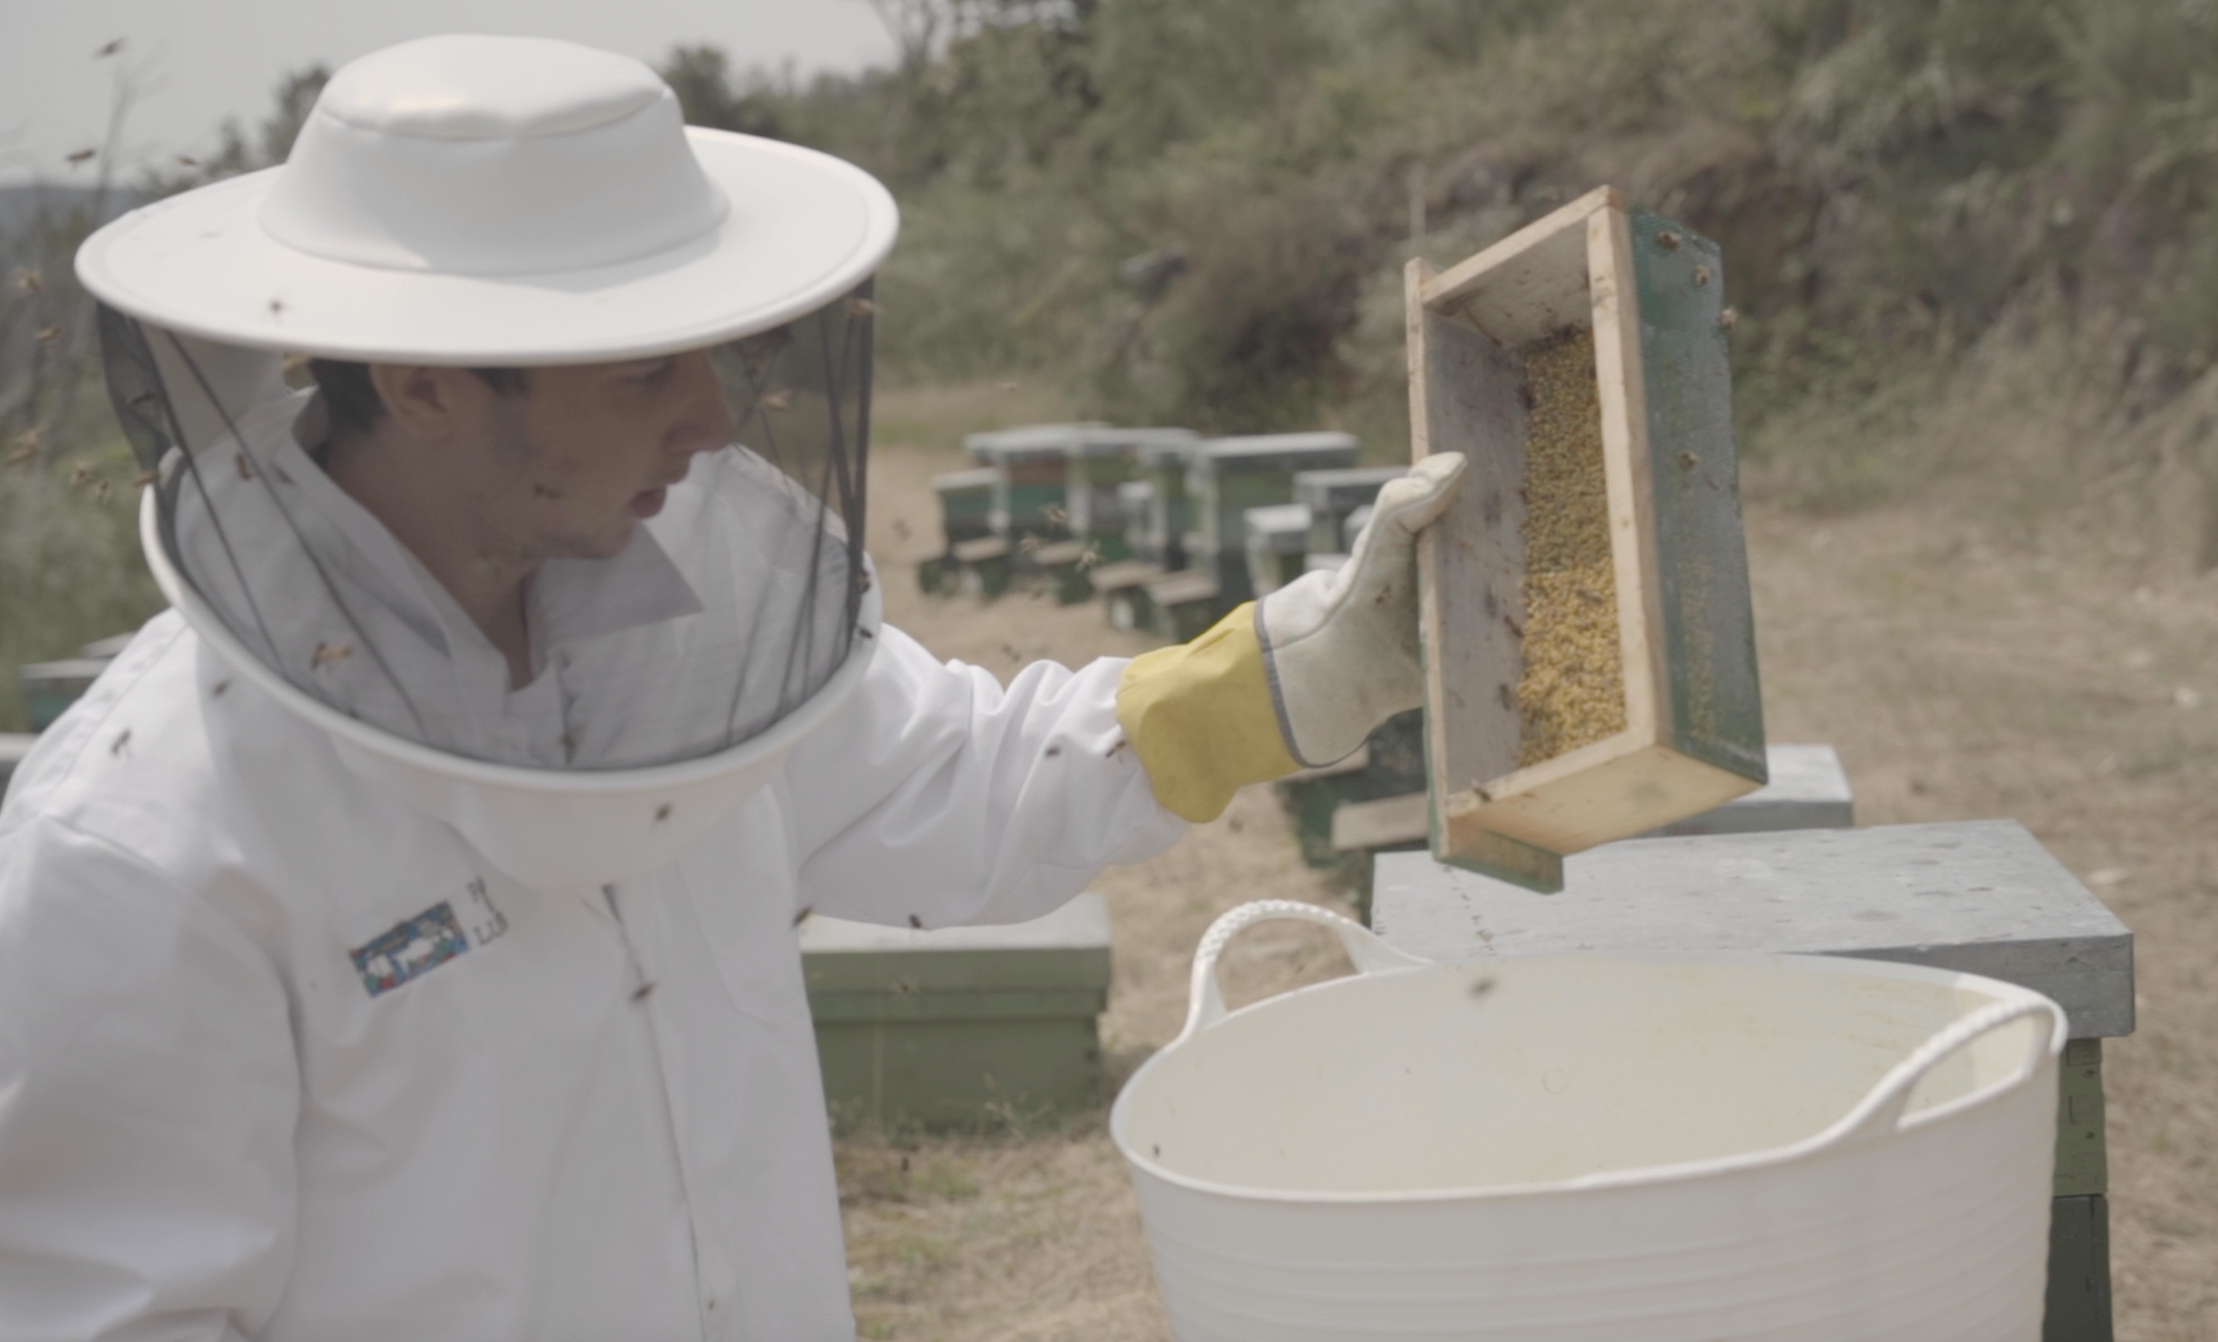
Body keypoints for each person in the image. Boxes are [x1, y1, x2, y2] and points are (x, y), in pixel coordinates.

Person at [0, 34, 1463, 1342]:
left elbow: (960, 775)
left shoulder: (695, 654)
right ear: (425, 380)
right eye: (640, 371)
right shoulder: (137, 850)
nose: (709, 417)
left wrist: (1305, 671)